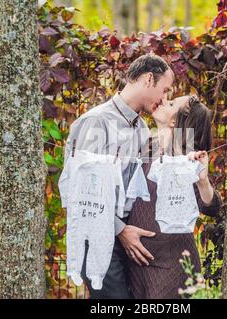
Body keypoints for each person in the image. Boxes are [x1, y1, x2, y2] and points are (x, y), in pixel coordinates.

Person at [63, 53, 174, 298]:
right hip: (97, 237)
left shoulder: (142, 128)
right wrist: (121, 230)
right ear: (148, 79)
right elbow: (82, 196)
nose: (165, 98)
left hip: (128, 238)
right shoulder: (95, 123)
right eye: (164, 90)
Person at [127, 95, 223, 298]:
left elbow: (211, 207)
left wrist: (202, 181)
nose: (162, 100)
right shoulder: (147, 146)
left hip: (171, 265)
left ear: (174, 121)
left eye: (170, 104)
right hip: (137, 261)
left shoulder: (188, 157)